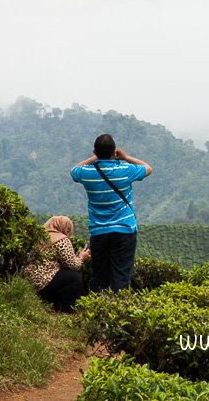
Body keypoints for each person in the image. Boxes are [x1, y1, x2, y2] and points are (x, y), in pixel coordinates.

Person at [71, 133, 152, 292]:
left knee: (98, 275)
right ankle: (118, 313)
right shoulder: (125, 169)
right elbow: (148, 168)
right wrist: (126, 157)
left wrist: (96, 159)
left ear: (94, 152)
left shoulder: (87, 173)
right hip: (124, 230)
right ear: (115, 151)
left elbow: (74, 170)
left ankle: (94, 310)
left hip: (99, 231)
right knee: (121, 276)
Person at [23, 215, 90, 313]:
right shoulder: (61, 239)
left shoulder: (39, 236)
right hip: (44, 280)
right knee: (74, 278)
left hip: (30, 280)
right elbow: (73, 265)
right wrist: (82, 257)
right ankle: (66, 310)